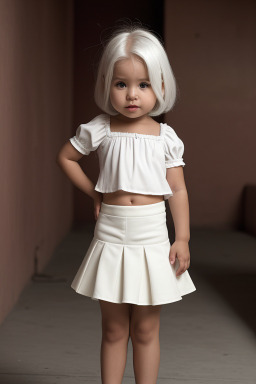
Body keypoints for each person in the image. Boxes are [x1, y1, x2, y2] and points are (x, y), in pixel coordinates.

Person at [56, 25, 196, 384]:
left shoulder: (166, 137)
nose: (132, 94)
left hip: (152, 235)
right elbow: (67, 158)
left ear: (161, 87)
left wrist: (182, 239)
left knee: (147, 331)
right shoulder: (101, 128)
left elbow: (177, 190)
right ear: (108, 85)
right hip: (112, 232)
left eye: (144, 84)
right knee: (114, 329)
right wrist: (95, 193)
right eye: (122, 84)